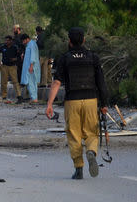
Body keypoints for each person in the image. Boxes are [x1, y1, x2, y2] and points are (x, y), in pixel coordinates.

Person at [45, 27, 108, 180]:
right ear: (84, 40)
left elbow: (57, 82)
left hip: (72, 100)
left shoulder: (64, 58)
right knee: (91, 132)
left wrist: (49, 104)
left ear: (69, 41)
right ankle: (91, 151)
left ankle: (78, 169)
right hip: (91, 100)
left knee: (74, 135)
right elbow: (101, 82)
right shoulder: (93, 57)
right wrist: (104, 104)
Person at [0, 36, 22, 103]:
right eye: (5, 40)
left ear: (11, 41)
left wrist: (15, 59)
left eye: (7, 40)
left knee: (15, 82)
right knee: (3, 82)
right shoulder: (3, 47)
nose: (6, 42)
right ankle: (4, 96)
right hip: (4, 66)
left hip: (12, 67)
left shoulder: (15, 47)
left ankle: (19, 96)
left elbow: (19, 57)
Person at [20, 34, 41, 103]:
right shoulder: (29, 45)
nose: (23, 43)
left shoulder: (32, 44)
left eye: (23, 41)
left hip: (31, 67)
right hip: (29, 66)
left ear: (27, 39)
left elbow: (33, 56)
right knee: (32, 83)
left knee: (31, 83)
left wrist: (31, 66)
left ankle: (34, 98)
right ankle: (34, 98)